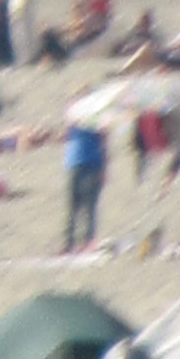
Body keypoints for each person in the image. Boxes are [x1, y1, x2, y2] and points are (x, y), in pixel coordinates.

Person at [61, 102, 108, 252]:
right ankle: (69, 243)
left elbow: (104, 140)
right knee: (73, 205)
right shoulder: (72, 119)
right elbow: (66, 136)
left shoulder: (96, 118)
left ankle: (88, 241)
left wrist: (104, 167)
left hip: (92, 163)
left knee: (89, 205)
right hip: (74, 162)